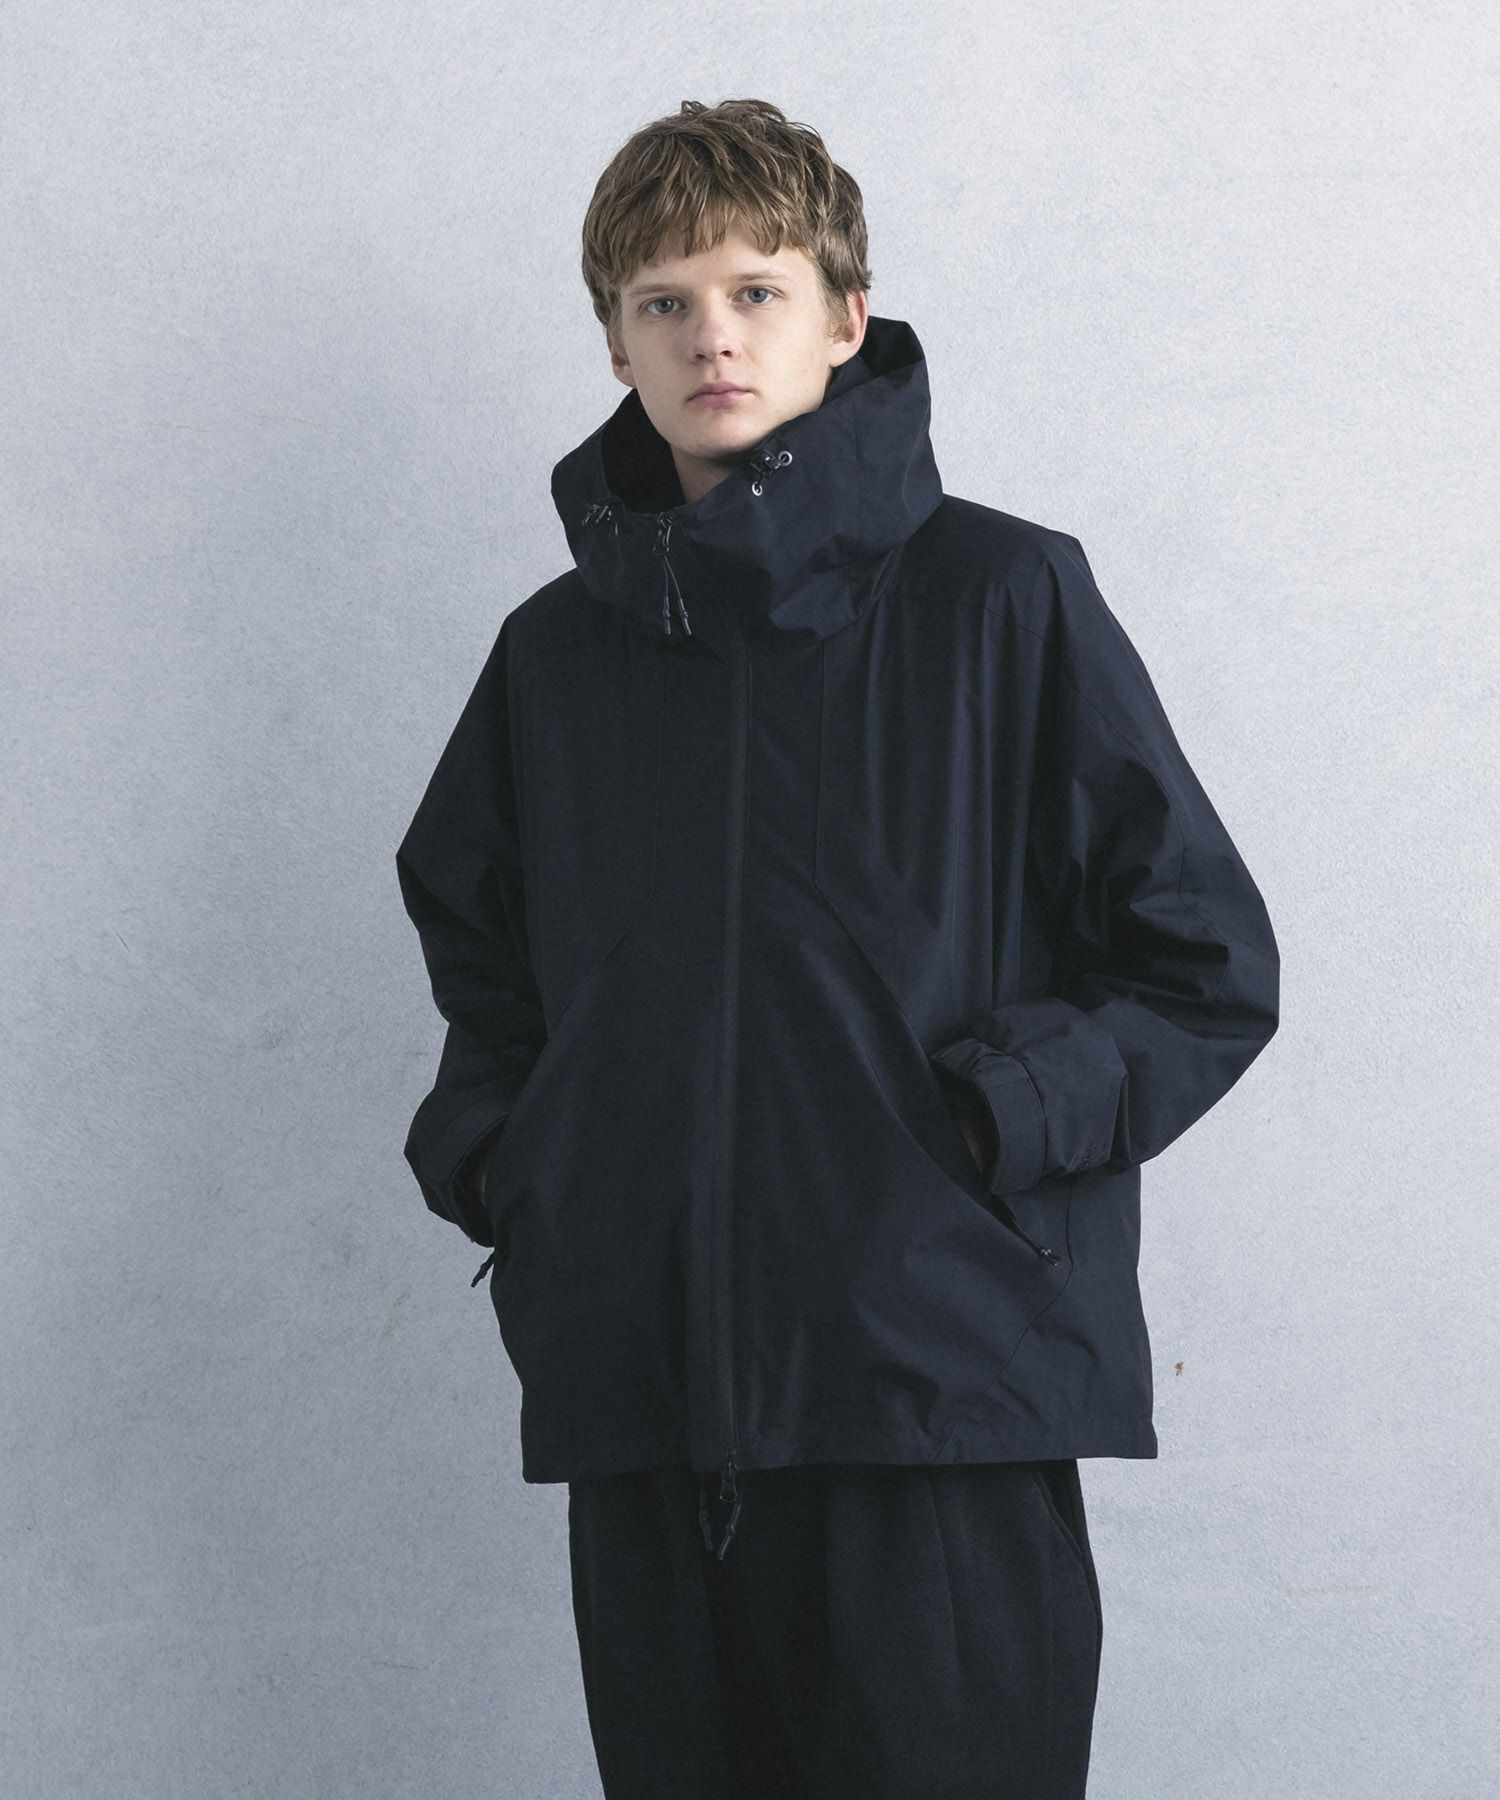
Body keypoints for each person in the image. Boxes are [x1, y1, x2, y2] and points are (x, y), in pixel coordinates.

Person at [396, 96, 1280, 1800]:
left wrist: (981, 1128)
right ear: (615, 343)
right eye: (664, 303)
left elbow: (1203, 965)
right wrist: (518, 1166)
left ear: (846, 316)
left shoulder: (1004, 597)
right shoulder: (554, 660)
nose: (711, 337)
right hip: (649, 1407)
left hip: (930, 1395)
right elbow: (482, 957)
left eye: (756, 291)